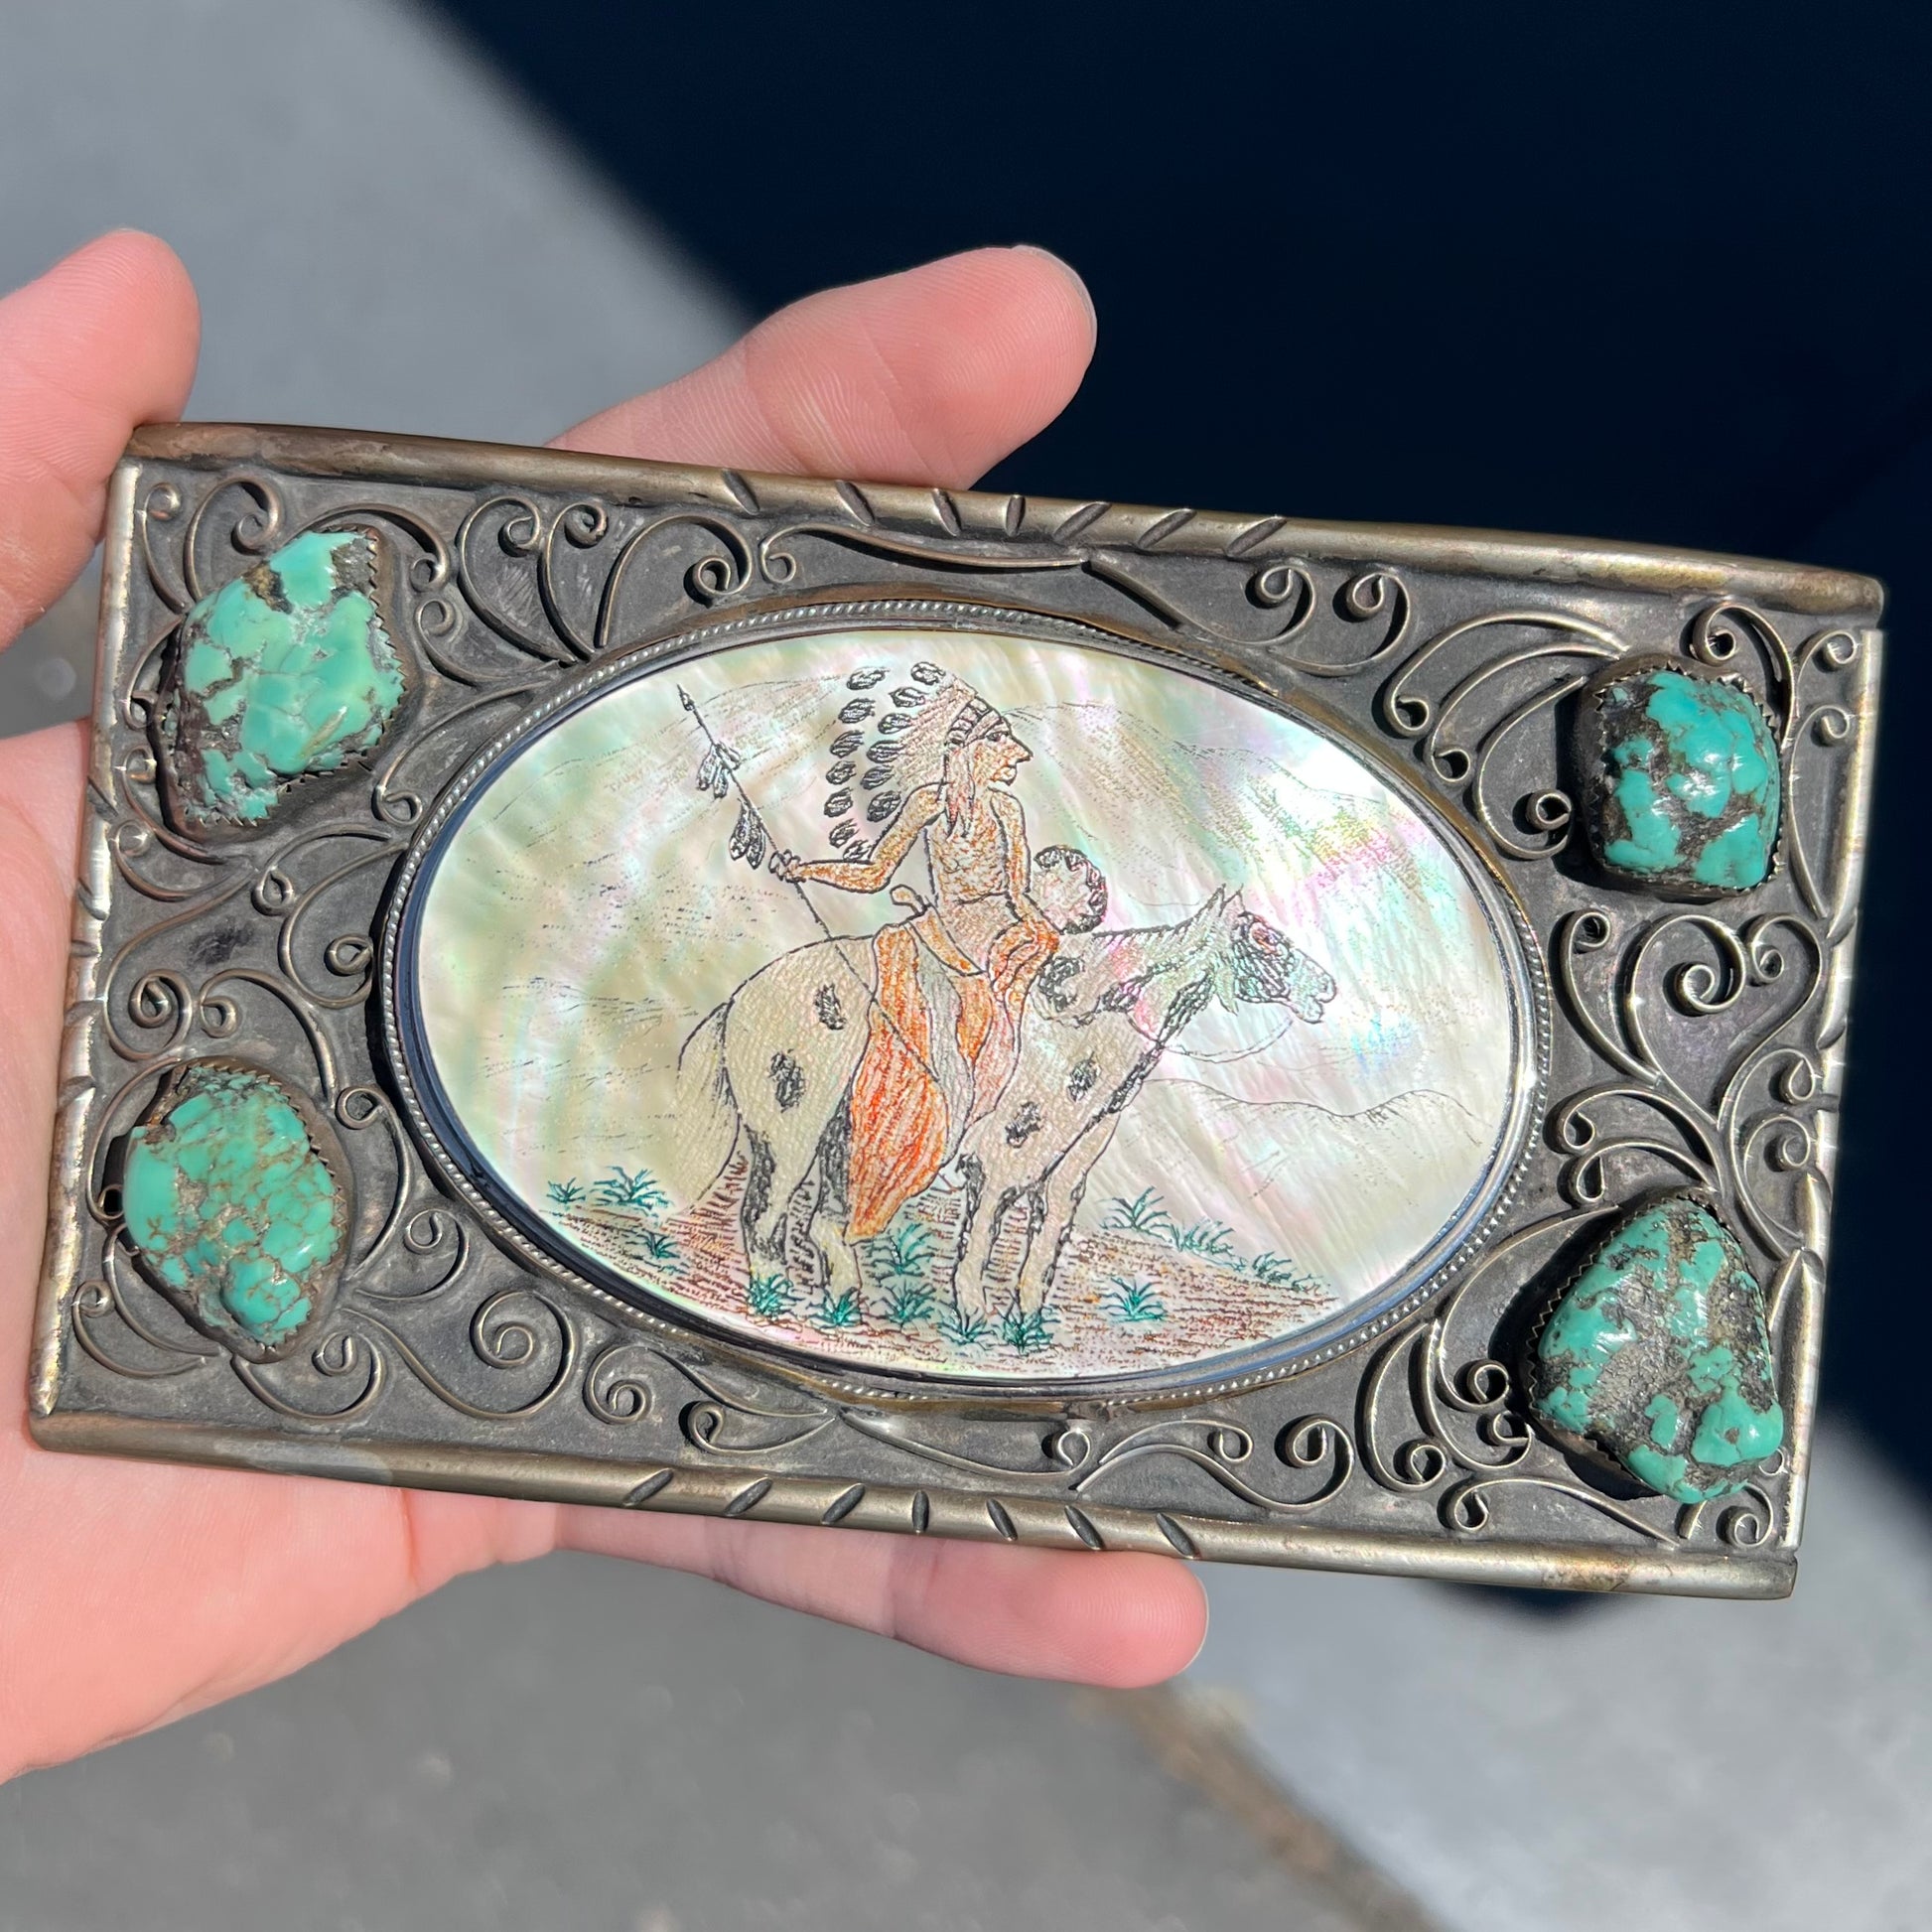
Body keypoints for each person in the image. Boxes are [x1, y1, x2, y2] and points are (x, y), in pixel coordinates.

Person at [0, 233, 1205, 1781]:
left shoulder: (1013, 832)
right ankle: (824, 1215)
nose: (989, 769)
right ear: (960, 754)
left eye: (988, 756)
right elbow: (861, 861)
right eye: (979, 751)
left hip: (988, 975)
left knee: (1009, 1097)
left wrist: (1049, 923)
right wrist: (783, 848)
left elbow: (1028, 906)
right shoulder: (933, 827)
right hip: (911, 969)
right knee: (912, 1087)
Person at [772, 678, 1093, 1239]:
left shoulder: (1007, 811)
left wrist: (1046, 934)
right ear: (973, 750)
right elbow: (874, 873)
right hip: (937, 946)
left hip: (992, 951)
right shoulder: (928, 804)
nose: (1014, 760)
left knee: (999, 1057)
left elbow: (1016, 895)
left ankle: (952, 1147)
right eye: (1004, 749)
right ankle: (914, 1155)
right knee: (941, 1061)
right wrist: (808, 869)